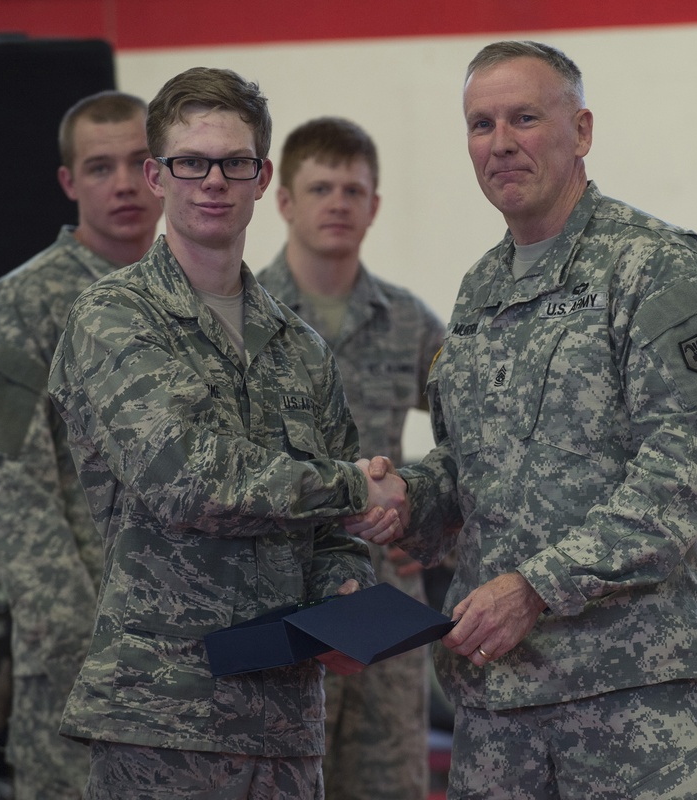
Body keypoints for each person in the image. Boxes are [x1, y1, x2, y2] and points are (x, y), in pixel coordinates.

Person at [350, 40, 697, 799]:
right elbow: (469, 470)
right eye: (480, 124)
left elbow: (685, 478)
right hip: (498, 708)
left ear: (582, 131)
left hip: (631, 701)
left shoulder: (656, 267)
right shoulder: (479, 289)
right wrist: (405, 498)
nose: (500, 144)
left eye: (524, 118)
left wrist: (535, 585)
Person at [46, 66, 407, 800]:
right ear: (157, 176)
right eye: (191, 163)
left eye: (234, 163)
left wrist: (343, 590)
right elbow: (188, 480)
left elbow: (338, 528)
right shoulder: (115, 316)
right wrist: (351, 485)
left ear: (260, 177)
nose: (213, 181)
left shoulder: (301, 346)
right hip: (164, 722)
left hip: (285, 728)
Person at [0, 90, 164, 798]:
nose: (122, 183)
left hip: (198, 662)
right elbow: (9, 486)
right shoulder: (22, 306)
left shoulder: (199, 295)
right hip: (89, 661)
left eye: (140, 162)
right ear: (68, 183)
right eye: (99, 166)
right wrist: (80, 640)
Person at [257, 117, 444, 800]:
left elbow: (479, 427)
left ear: (374, 206)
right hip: (281, 594)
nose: (338, 202)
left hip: (387, 597)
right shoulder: (243, 318)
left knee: (390, 786)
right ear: (284, 201)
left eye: (353, 189)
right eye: (320, 187)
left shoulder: (407, 319)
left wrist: (433, 513)